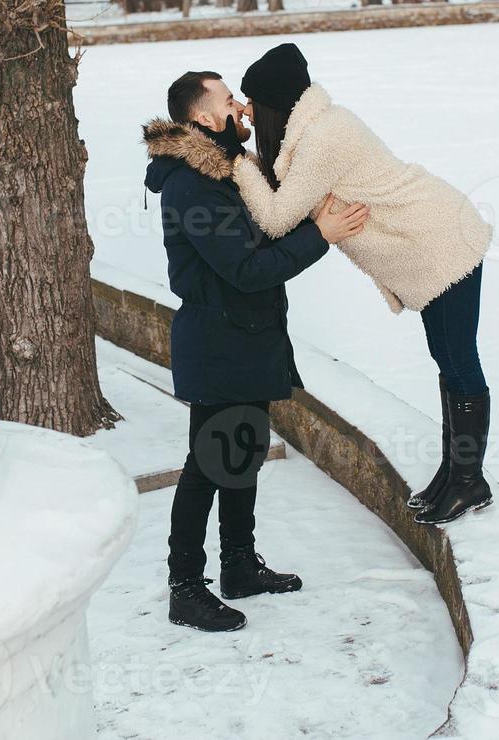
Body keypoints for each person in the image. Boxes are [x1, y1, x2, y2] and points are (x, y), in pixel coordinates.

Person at [228, 43, 495, 527]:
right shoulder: (309, 134)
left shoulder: (325, 138)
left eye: (250, 100)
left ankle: (469, 481)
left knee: (458, 359)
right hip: (426, 244)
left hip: (441, 239)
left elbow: (274, 218)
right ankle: (456, 473)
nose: (245, 109)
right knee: (448, 358)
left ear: (274, 102)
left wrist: (238, 162)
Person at [143, 70, 369, 633]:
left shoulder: (228, 172)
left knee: (242, 455)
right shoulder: (192, 184)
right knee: (208, 465)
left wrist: (311, 219)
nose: (241, 107)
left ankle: (239, 566)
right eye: (228, 100)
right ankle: (185, 588)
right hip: (219, 343)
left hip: (244, 337)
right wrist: (323, 235)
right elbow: (246, 269)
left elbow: (260, 238)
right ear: (201, 118)